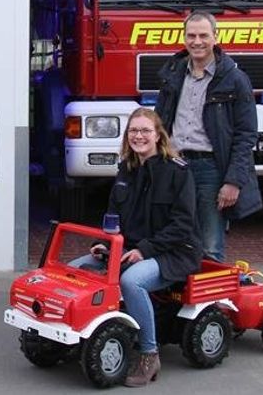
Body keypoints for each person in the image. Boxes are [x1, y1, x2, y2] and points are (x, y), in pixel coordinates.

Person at [71, 108, 202, 387]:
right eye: (133, 131)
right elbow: (112, 218)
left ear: (158, 135)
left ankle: (148, 354)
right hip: (129, 249)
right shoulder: (126, 170)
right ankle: (78, 338)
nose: (138, 136)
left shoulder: (177, 172)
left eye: (145, 131)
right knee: (75, 270)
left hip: (174, 252)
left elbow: (182, 225)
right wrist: (101, 243)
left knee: (131, 281)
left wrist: (145, 249)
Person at [154, 11, 263, 261]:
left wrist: (233, 181)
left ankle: (209, 300)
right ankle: (177, 297)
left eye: (203, 35)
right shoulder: (172, 74)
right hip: (175, 167)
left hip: (210, 170)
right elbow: (159, 122)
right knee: (174, 239)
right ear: (184, 38)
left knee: (210, 246)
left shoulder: (235, 80)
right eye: (191, 35)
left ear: (216, 37)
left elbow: (246, 135)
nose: (197, 41)